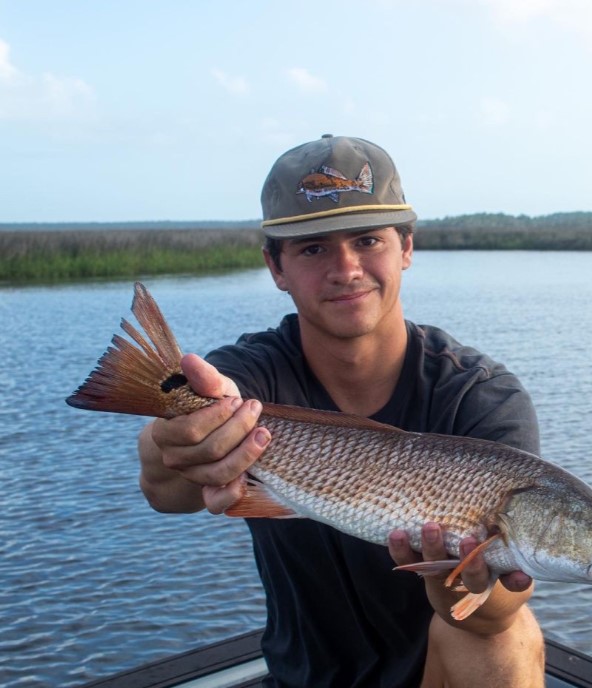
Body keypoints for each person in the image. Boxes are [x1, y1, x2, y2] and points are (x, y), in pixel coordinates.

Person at [137, 134, 545, 687]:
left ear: (406, 247)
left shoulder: (482, 396)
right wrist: (175, 443)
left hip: (437, 674)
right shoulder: (249, 376)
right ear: (275, 267)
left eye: (367, 240)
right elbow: (167, 491)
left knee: (506, 635)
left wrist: (459, 580)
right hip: (302, 677)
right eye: (312, 248)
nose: (345, 268)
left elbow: (494, 611)